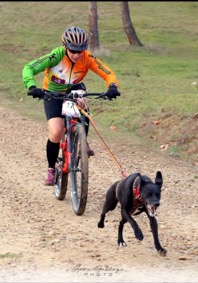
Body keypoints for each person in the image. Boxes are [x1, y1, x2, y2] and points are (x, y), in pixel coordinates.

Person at [22, 25, 120, 186]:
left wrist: (113, 86)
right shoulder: (56, 56)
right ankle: (51, 169)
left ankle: (83, 141)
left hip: (75, 88)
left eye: (80, 51)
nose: (76, 55)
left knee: (82, 100)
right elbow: (29, 68)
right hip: (52, 92)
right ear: (65, 47)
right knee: (56, 131)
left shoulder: (87, 58)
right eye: (72, 51)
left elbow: (107, 72)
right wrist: (32, 86)